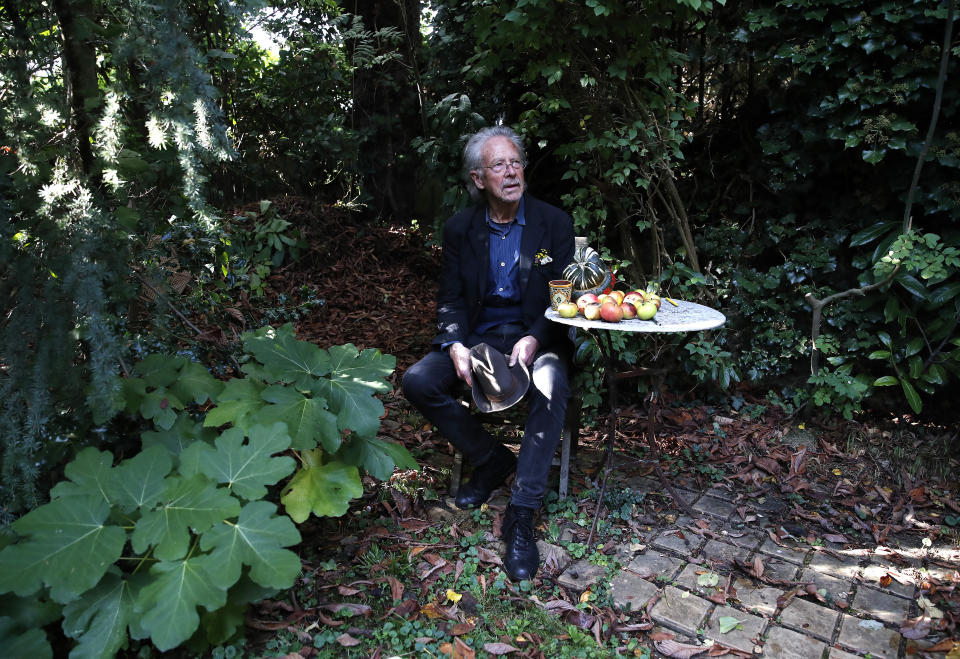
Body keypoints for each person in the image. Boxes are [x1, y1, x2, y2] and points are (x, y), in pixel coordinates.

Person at [402, 125, 575, 580]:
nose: (511, 172)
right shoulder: (461, 228)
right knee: (417, 380)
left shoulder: (553, 223)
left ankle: (522, 513)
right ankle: (492, 458)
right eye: (499, 165)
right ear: (479, 179)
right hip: (479, 338)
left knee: (551, 382)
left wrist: (536, 335)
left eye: (516, 162)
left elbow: (562, 298)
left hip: (538, 336)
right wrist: (455, 343)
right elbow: (450, 297)